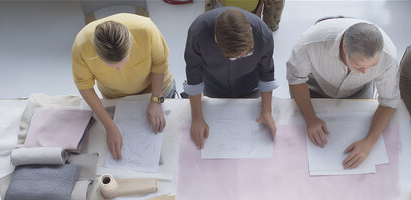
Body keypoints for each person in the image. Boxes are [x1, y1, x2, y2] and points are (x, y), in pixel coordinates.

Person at [286, 18, 399, 169]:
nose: (365, 72)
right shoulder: (309, 45)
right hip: (316, 86)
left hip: (359, 90)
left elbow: (389, 101)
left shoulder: (388, 56)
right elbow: (296, 79)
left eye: (371, 66)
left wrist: (369, 142)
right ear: (344, 47)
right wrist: (310, 118)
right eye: (359, 66)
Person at [71, 13, 176, 160]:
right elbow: (85, 86)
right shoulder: (81, 47)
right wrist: (109, 125)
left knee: (169, 140)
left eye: (124, 61)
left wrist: (156, 99)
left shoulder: (146, 30)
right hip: (116, 97)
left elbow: (160, 63)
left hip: (158, 89)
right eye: (112, 66)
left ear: (131, 44)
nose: (120, 69)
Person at [184, 7, 278, 149]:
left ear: (251, 32)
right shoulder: (197, 32)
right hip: (214, 84)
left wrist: (266, 111)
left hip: (250, 85)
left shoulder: (264, 35)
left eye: (246, 54)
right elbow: (193, 73)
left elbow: (267, 72)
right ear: (216, 38)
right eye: (231, 57)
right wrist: (197, 118)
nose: (237, 60)